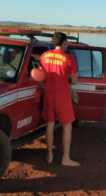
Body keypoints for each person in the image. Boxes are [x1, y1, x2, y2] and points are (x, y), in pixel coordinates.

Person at [40, 32, 79, 167]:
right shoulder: (69, 59)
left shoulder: (44, 56)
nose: (68, 44)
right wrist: (66, 78)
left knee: (50, 124)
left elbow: (42, 75)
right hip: (62, 96)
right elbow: (74, 81)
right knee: (67, 126)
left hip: (48, 94)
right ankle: (65, 158)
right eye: (67, 42)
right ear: (63, 43)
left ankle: (49, 156)